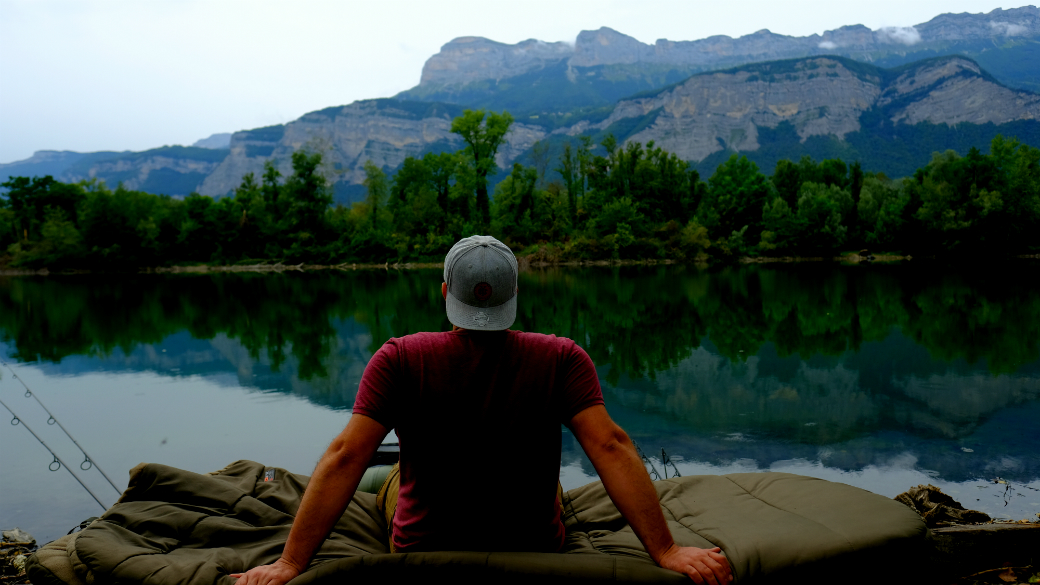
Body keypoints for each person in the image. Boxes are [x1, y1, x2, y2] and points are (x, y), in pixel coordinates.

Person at [232, 235, 732, 585]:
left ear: (445, 292)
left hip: (421, 544)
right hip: (537, 543)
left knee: (387, 473)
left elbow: (346, 456)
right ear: (515, 294)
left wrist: (290, 564)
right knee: (551, 484)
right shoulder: (561, 357)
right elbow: (610, 445)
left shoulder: (400, 357)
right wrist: (666, 550)